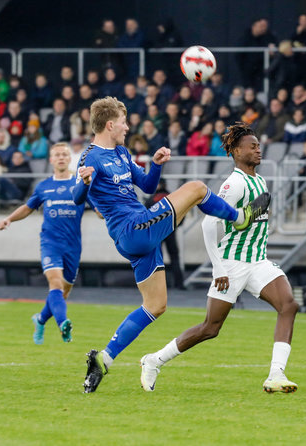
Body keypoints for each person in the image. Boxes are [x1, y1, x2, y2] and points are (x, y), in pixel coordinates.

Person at [73, 97, 271, 393]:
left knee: (156, 305)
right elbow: (77, 198)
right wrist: (84, 183)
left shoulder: (122, 152)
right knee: (197, 188)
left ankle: (104, 359)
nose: (128, 127)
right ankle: (239, 218)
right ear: (110, 124)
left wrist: (154, 165)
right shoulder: (90, 158)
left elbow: (149, 186)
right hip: (132, 229)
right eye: (124, 122)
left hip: (140, 229)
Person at [140, 122, 299, 393]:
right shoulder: (234, 184)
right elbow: (207, 225)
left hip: (258, 261)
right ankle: (154, 360)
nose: (259, 150)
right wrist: (219, 268)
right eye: (253, 146)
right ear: (237, 152)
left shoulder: (259, 180)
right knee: (210, 328)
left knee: (289, 305)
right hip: (231, 264)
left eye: (259, 146)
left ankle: (276, 374)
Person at [0, 143, 97, 344]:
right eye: (57, 155)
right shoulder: (43, 186)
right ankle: (63, 324)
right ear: (51, 160)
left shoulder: (80, 185)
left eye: (64, 154)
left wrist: (111, 215)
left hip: (73, 246)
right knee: (56, 283)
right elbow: (28, 207)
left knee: (63, 292)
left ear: (70, 159)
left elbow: (99, 209)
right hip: (50, 243)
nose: (61, 158)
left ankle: (40, 319)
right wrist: (9, 218)